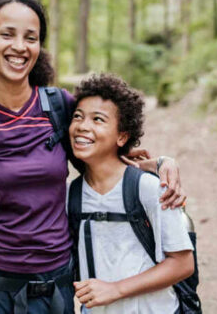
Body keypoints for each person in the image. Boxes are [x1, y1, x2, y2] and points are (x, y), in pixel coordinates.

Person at [0, 0, 187, 314]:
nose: (19, 46)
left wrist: (159, 164)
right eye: (8, 34)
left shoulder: (58, 107)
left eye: (30, 37)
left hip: (53, 285)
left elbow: (100, 154)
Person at [69, 74, 195, 313]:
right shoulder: (71, 195)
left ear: (122, 136)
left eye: (98, 119)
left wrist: (115, 289)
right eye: (78, 116)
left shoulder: (148, 187)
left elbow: (183, 263)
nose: (83, 126)